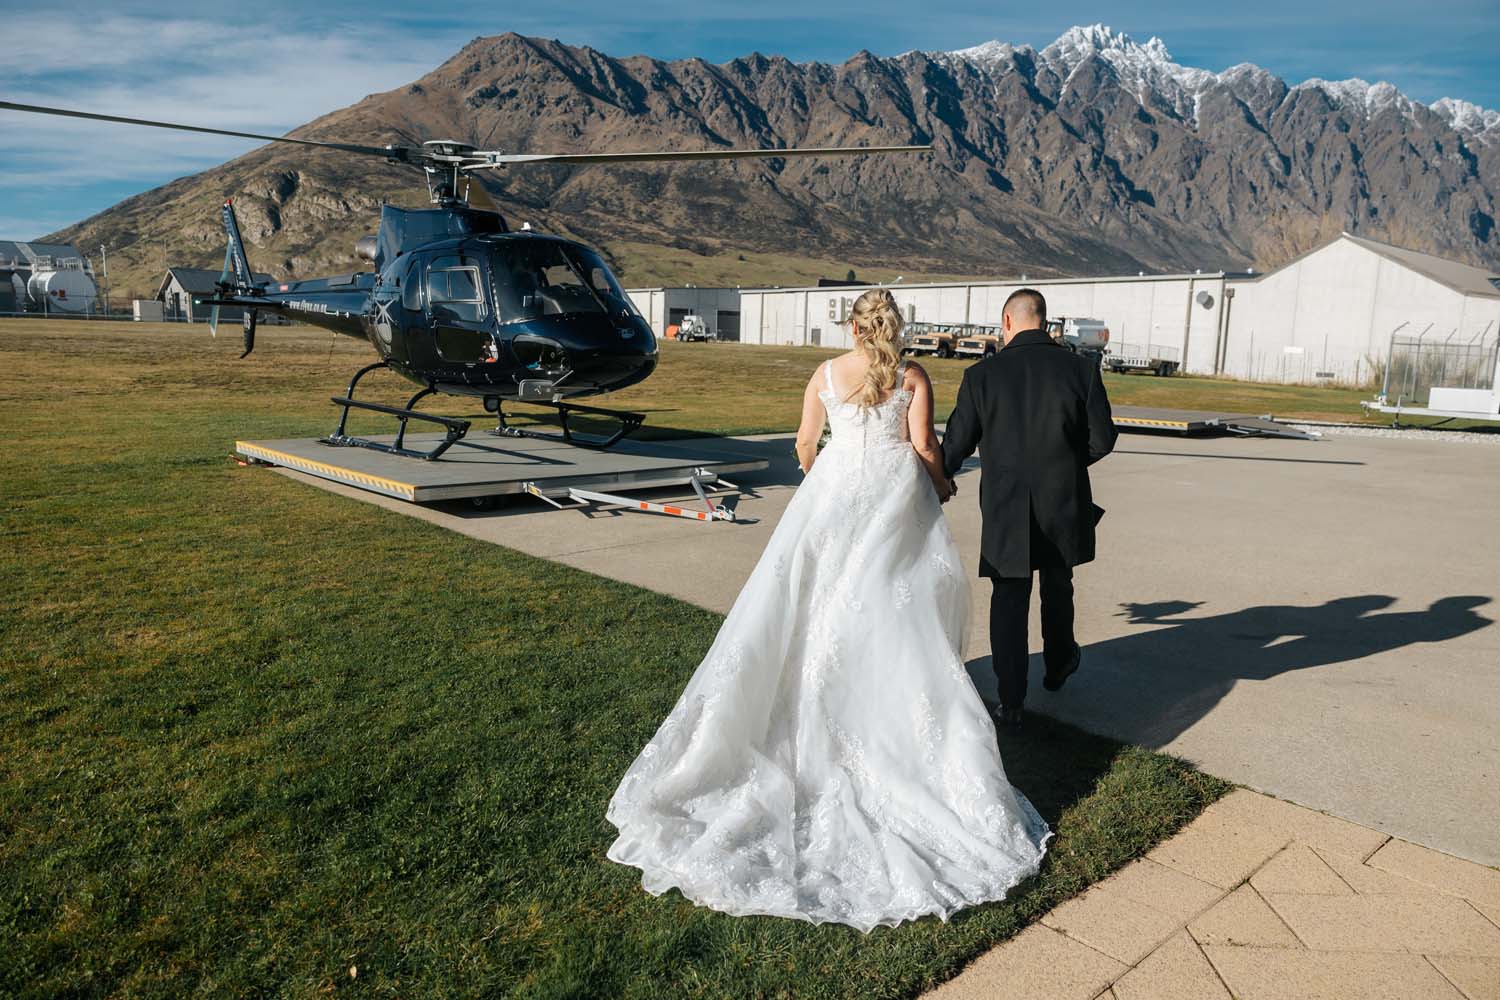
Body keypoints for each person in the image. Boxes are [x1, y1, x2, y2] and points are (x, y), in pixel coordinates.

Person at [606, 288, 1050, 932]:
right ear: (895, 327)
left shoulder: (823, 375)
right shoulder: (911, 375)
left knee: (810, 612)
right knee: (892, 618)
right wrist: (944, 484)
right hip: (893, 499)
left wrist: (827, 480)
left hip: (835, 496)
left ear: (852, 326)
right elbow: (924, 446)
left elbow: (805, 445)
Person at [941, 288, 1118, 728]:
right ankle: (1058, 665)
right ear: (1044, 320)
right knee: (1059, 584)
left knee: (1009, 597)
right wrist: (1065, 464)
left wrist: (934, 474)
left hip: (1005, 504)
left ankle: (1011, 700)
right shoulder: (1082, 370)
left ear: (1006, 322)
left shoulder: (981, 376)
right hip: (1062, 499)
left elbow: (957, 446)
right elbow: (1103, 439)